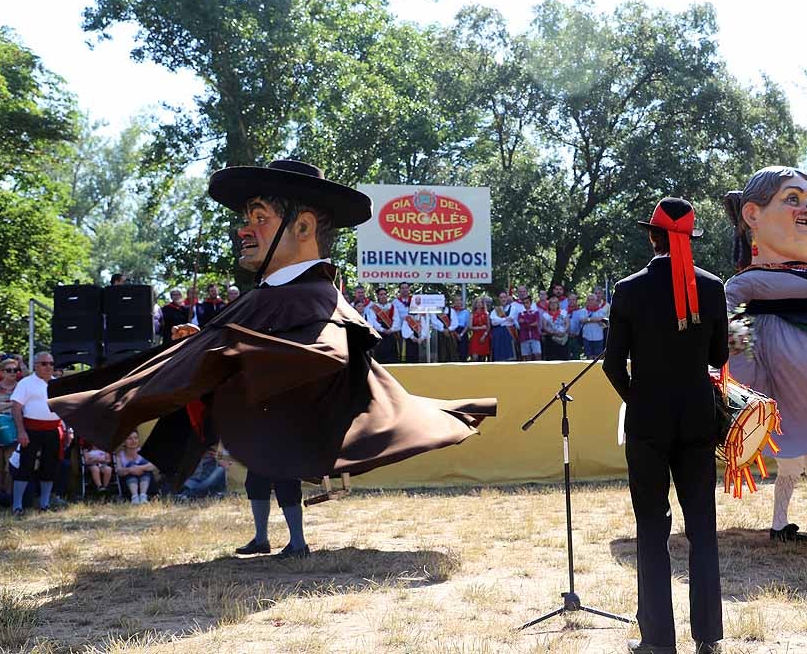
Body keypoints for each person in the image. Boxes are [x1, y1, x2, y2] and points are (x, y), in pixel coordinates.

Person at [48, 159, 495, 557]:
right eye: (246, 218)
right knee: (259, 476)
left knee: (280, 474)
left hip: (291, 416)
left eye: (259, 218)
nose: (244, 229)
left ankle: (296, 541)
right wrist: (195, 344)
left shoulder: (315, 295)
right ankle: (263, 537)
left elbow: (327, 350)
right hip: (259, 415)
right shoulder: (263, 296)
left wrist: (241, 349)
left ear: (301, 228)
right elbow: (229, 341)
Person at [603, 198, 727, 654]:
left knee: (651, 530)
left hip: (648, 420)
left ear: (652, 236)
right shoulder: (712, 287)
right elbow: (719, 357)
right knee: (703, 529)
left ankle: (658, 639)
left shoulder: (629, 288)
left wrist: (638, 399)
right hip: (697, 416)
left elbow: (613, 364)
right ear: (688, 239)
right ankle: (708, 637)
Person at [722, 166, 807, 543]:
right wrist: (746, 381)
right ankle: (779, 523)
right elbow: (733, 334)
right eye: (793, 199)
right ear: (753, 215)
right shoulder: (746, 283)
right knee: (789, 467)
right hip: (783, 399)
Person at [9, 352, 63, 515]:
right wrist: (21, 431)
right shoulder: (26, 383)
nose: (49, 367)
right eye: (44, 364)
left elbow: (63, 408)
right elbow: (16, 408)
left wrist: (66, 430)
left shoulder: (57, 384)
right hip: (31, 429)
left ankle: (44, 504)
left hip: (53, 430)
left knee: (50, 466)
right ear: (36, 365)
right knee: (25, 466)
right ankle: (17, 505)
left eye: (51, 364)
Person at [0, 357, 21, 495]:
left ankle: (7, 495)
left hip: (15, 430)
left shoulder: (21, 387)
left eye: (15, 370)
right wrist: (12, 404)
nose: (13, 373)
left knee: (10, 464)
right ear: (2, 372)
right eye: (9, 370)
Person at [116, 431, 157, 504]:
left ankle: (143, 496)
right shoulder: (120, 455)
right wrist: (130, 469)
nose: (133, 441)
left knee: (144, 464)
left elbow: (153, 466)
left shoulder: (144, 451)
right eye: (130, 438)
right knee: (131, 464)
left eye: (136, 438)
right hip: (128, 486)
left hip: (146, 484)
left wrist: (140, 468)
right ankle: (135, 497)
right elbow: (119, 472)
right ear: (124, 442)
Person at [365, 287, 401, 364]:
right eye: (381, 294)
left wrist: (391, 330)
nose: (383, 296)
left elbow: (397, 320)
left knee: (392, 356)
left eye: (385, 294)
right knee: (380, 356)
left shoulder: (392, 307)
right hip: (380, 334)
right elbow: (373, 322)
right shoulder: (373, 308)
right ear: (377, 296)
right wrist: (383, 330)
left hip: (391, 333)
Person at [489, 291, 517, 362]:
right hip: (498, 336)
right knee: (499, 357)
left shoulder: (512, 308)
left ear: (507, 298)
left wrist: (499, 320)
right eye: (501, 298)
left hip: (508, 334)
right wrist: (505, 319)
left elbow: (511, 318)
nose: (503, 299)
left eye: (504, 297)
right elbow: (493, 322)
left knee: (509, 357)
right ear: (499, 299)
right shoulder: (496, 310)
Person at [515, 294, 543, 362]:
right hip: (524, 337)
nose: (525, 304)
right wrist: (530, 322)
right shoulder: (521, 313)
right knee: (527, 356)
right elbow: (520, 322)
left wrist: (526, 322)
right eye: (524, 303)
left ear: (530, 303)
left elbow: (536, 323)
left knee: (537, 354)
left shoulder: (535, 312)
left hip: (534, 336)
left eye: (527, 302)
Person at [542, 295, 570, 360]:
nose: (553, 305)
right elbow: (544, 326)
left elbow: (567, 323)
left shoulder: (563, 312)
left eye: (555, 303)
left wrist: (563, 331)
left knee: (564, 357)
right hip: (551, 338)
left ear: (558, 304)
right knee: (552, 358)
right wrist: (553, 333)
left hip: (562, 337)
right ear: (549, 305)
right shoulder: (545, 314)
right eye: (551, 303)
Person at [451, 296, 471, 361]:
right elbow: (449, 323)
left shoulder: (466, 312)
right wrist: (456, 334)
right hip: (453, 332)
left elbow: (467, 325)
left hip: (463, 332)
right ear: (454, 302)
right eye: (456, 300)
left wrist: (461, 334)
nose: (458, 302)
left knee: (463, 352)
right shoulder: (451, 311)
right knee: (453, 352)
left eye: (460, 300)